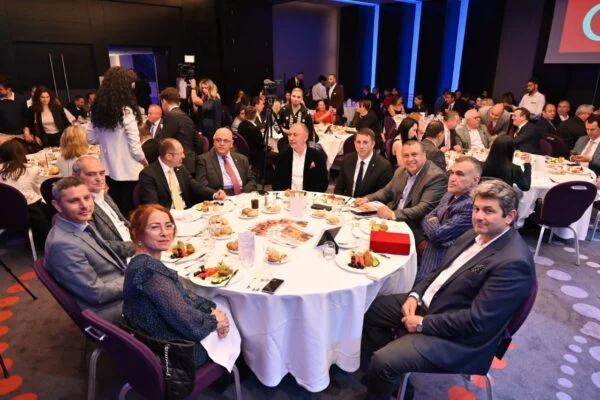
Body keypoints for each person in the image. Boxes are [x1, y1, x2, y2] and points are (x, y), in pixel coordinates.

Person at [361, 179, 535, 400]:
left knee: (383, 361)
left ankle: (384, 377)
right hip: (435, 303)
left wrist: (423, 323)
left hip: (459, 339)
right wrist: (415, 294)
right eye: (476, 209)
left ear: (509, 216)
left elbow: (478, 323)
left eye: (489, 211)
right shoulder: (475, 233)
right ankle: (391, 381)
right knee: (370, 309)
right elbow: (440, 270)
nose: (479, 216)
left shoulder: (513, 263)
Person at [123, 204, 231, 366]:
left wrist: (210, 308)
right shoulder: (149, 271)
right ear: (137, 232)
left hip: (154, 337)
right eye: (155, 227)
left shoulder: (140, 261)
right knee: (229, 309)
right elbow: (187, 321)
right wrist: (214, 321)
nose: (165, 233)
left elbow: (181, 295)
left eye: (168, 226)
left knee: (218, 306)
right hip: (174, 352)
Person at [45, 177, 127, 323]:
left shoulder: (79, 224)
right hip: (112, 310)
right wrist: (135, 278)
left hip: (117, 286)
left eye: (87, 198)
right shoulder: (62, 245)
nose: (84, 205)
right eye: (74, 201)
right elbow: (97, 294)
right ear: (57, 206)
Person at [355, 140, 448, 244]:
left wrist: (392, 214)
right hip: (394, 220)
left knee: (370, 241)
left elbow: (422, 209)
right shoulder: (401, 171)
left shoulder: (436, 177)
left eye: (414, 154)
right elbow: (386, 192)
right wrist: (367, 199)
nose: (410, 159)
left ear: (424, 155)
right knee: (359, 231)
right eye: (406, 156)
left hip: (414, 227)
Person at [86, 66, 148, 217]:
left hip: (108, 169)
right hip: (129, 170)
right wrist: (145, 162)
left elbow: (91, 138)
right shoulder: (126, 111)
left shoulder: (97, 110)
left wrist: (107, 139)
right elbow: (135, 147)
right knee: (132, 212)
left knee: (117, 210)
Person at [418, 156, 481, 282]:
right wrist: (434, 221)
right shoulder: (450, 193)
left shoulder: (470, 205)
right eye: (452, 173)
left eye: (459, 174)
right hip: (429, 255)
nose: (452, 178)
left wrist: (434, 220)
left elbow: (437, 235)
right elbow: (427, 217)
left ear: (475, 180)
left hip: (440, 267)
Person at [72, 155, 135, 262]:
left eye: (101, 173)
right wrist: (136, 247)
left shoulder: (102, 193)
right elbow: (97, 244)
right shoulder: (81, 207)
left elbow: (122, 221)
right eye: (91, 174)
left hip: (134, 244)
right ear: (76, 177)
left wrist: (142, 234)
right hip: (119, 259)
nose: (99, 179)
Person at [0, 139, 52, 247]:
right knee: (52, 207)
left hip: (3, 213)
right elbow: (39, 191)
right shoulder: (32, 169)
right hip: (27, 214)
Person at [139, 138, 211, 209]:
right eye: (180, 153)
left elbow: (195, 186)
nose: (183, 156)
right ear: (168, 156)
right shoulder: (148, 175)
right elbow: (153, 205)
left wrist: (214, 194)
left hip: (186, 210)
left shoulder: (181, 168)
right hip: (167, 213)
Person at [196, 128, 256, 198]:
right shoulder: (204, 160)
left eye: (226, 141)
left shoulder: (242, 159)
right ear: (214, 142)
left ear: (231, 144)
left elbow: (251, 180)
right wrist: (216, 194)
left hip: (243, 195)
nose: (221, 143)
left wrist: (243, 194)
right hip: (221, 197)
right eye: (218, 140)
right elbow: (202, 186)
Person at [334, 128, 393, 198]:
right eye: (358, 142)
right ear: (354, 143)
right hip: (348, 202)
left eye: (365, 142)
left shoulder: (383, 166)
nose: (361, 146)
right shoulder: (347, 159)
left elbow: (384, 196)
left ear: (373, 144)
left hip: (369, 204)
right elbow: (339, 188)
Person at [272, 122, 328, 192]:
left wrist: (308, 196)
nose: (291, 138)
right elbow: (276, 182)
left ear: (305, 137)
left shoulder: (317, 156)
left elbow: (323, 183)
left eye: (295, 135)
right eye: (289, 135)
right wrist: (286, 193)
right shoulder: (282, 156)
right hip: (287, 196)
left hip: (309, 196)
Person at [157, 87, 201, 174]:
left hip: (178, 165)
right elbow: (198, 142)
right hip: (191, 163)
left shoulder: (170, 116)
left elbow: (163, 142)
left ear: (163, 101)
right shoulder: (186, 117)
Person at [190, 78, 221, 146]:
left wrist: (217, 133)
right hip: (203, 129)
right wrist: (200, 130)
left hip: (212, 129)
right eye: (202, 88)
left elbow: (218, 118)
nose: (204, 90)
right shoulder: (203, 100)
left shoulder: (216, 100)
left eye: (206, 88)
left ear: (210, 88)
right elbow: (200, 116)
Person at [0, 74, 29, 144]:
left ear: (8, 89)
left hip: (20, 135)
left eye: (0, 89)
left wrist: (26, 130)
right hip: (2, 136)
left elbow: (25, 117)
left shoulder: (21, 99)